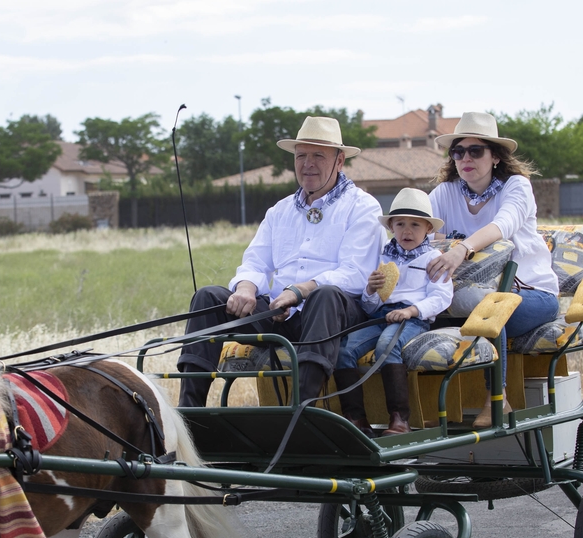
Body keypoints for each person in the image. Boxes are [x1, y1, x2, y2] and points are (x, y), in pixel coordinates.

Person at [176, 116, 385, 408]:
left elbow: (355, 274)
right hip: (281, 315)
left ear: (339, 161)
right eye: (301, 156)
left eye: (318, 156)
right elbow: (255, 262)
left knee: (324, 295)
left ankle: (302, 411)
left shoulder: (362, 207)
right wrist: (247, 288)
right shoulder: (280, 210)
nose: (307, 164)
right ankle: (189, 414)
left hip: (336, 316)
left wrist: (299, 291)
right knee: (208, 297)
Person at [426, 111, 559, 428]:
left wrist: (460, 247)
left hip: (530, 293)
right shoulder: (446, 193)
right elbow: (417, 230)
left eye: (475, 151)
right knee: (419, 309)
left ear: (495, 156)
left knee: (490, 306)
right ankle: (424, 409)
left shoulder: (516, 187)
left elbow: (503, 224)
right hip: (465, 296)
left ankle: (497, 400)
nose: (465, 158)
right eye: (458, 152)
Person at [333, 188, 452, 436]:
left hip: (413, 319)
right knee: (343, 349)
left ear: (428, 229)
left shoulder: (433, 258)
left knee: (387, 346)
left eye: (415, 225)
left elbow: (442, 296)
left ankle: (400, 419)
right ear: (391, 228)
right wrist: (370, 290)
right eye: (400, 224)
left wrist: (412, 310)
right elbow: (370, 306)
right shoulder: (384, 257)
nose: (407, 231)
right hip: (381, 316)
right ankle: (356, 419)